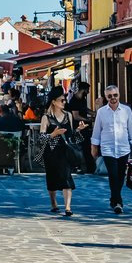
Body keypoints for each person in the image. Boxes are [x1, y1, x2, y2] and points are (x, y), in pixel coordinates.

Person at [91, 85, 132, 215]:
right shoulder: (102, 112)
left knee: (120, 176)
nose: (113, 98)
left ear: (119, 95)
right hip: (108, 149)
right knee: (113, 176)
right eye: (109, 96)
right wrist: (94, 147)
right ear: (106, 97)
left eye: (115, 95)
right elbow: (97, 131)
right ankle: (118, 202)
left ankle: (114, 199)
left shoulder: (126, 110)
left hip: (123, 148)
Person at [40, 87, 81, 216]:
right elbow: (41, 138)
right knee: (52, 178)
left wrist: (79, 130)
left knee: (67, 178)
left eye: (64, 100)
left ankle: (68, 207)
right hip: (51, 152)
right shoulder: (46, 118)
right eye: (62, 100)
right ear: (54, 101)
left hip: (65, 151)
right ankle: (53, 203)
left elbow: (72, 136)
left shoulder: (68, 115)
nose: (64, 102)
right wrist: (53, 134)